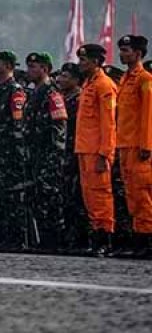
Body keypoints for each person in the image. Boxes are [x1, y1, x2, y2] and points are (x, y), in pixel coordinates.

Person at [75, 44, 118, 257]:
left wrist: (105, 153)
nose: (81, 64)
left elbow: (108, 123)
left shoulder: (104, 85)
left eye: (84, 60)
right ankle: (95, 237)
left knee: (101, 196)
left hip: (97, 151)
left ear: (96, 62)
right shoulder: (88, 85)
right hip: (84, 148)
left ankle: (105, 239)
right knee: (89, 196)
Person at [0, 50, 28, 250]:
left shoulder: (14, 90)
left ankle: (17, 237)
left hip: (10, 153)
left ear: (9, 66)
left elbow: (18, 123)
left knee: (12, 196)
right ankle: (3, 235)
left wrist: (18, 153)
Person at [23, 52, 68, 250]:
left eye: (34, 67)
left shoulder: (52, 93)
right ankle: (44, 240)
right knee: (38, 198)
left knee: (50, 197)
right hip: (36, 155)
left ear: (45, 69)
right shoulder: (35, 93)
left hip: (49, 155)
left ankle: (54, 240)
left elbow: (59, 125)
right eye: (29, 67)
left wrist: (54, 155)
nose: (29, 71)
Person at [116, 34, 152, 258]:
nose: (122, 54)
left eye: (126, 50)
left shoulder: (145, 79)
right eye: (121, 50)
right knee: (131, 194)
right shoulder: (125, 79)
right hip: (124, 143)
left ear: (138, 54)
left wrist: (146, 145)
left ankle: (147, 241)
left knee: (142, 195)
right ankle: (138, 239)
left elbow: (149, 114)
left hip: (139, 146)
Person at [57, 62, 88, 249]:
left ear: (76, 80)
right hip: (63, 154)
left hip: (76, 153)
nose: (60, 79)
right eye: (60, 75)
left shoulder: (80, 99)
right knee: (65, 197)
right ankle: (69, 238)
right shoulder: (62, 98)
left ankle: (81, 239)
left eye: (65, 76)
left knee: (77, 198)